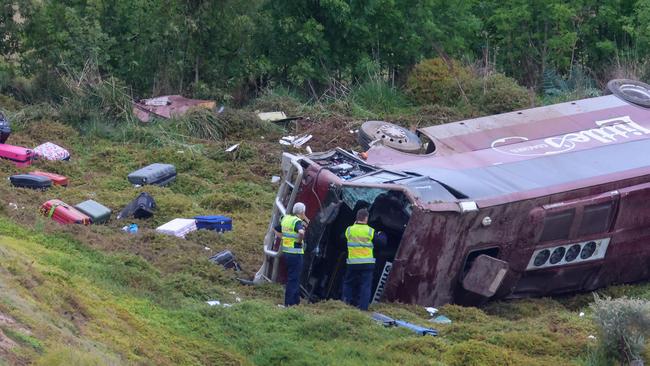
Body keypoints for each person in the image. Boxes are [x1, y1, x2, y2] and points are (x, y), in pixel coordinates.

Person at [342, 208, 386, 311]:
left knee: (348, 284)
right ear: (366, 218)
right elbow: (382, 243)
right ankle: (363, 309)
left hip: (352, 263)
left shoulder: (349, 230)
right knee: (365, 286)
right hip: (367, 264)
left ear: (357, 218)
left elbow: (344, 238)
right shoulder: (370, 231)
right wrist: (382, 234)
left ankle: (344, 305)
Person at [274, 202, 309, 306]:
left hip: (287, 252)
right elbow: (301, 232)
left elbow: (275, 228)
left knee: (293, 277)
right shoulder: (297, 221)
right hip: (296, 253)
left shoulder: (286, 218)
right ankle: (289, 304)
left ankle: (295, 303)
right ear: (302, 211)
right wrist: (299, 241)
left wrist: (283, 237)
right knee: (293, 279)